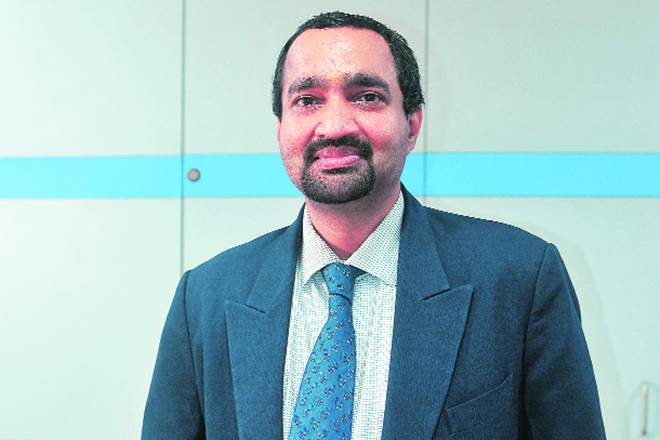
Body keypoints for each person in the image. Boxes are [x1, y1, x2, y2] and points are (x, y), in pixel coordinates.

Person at [142, 11, 606, 439]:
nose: (334, 125)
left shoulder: (519, 278)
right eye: (307, 100)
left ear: (412, 125)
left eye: (367, 97)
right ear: (281, 129)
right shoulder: (205, 297)